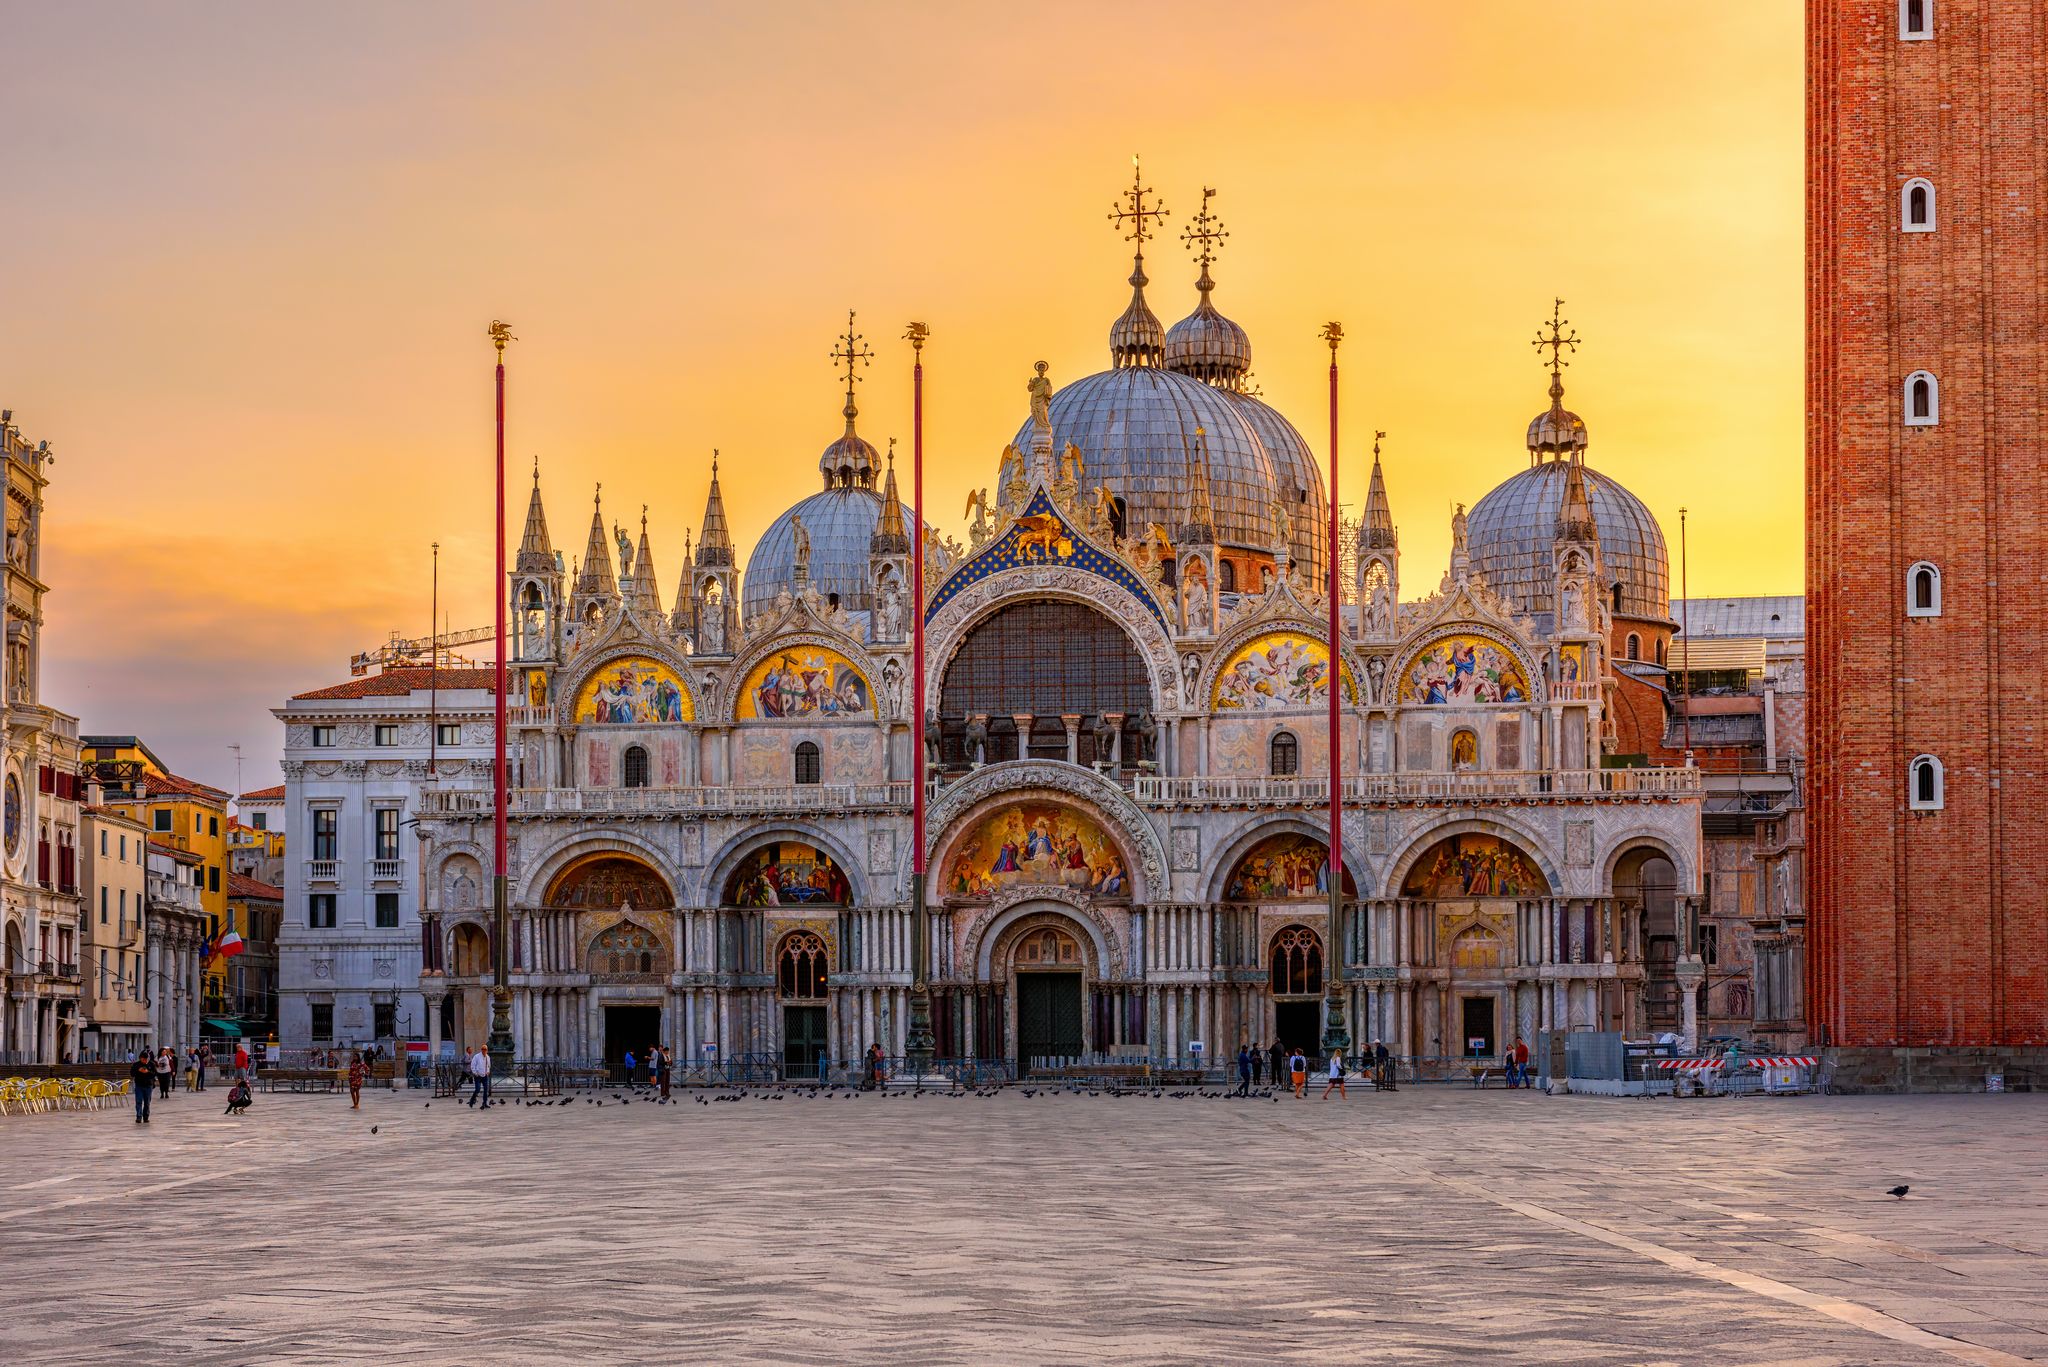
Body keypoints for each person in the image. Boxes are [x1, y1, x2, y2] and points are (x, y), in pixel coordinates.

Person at [130, 1049, 157, 1124]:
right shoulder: (136, 1065)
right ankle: (139, 1116)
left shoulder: (152, 1064)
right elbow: (132, 1074)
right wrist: (138, 1070)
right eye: (143, 1059)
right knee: (138, 1101)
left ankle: (146, 1117)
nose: (145, 1061)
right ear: (140, 1058)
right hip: (139, 1085)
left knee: (147, 1102)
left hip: (148, 1085)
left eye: (147, 1059)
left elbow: (154, 1074)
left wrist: (147, 1071)